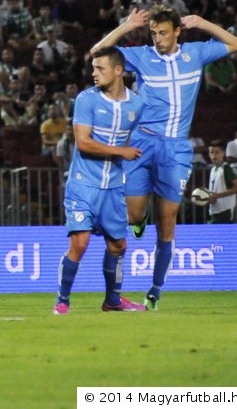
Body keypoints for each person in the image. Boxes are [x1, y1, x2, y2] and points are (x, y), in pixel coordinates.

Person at [90, 4, 237, 310]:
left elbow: (235, 44)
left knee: (168, 220)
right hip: (143, 143)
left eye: (162, 32)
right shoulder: (142, 56)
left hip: (176, 148)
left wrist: (203, 21)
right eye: (153, 32)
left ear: (177, 32)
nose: (157, 38)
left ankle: (155, 290)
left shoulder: (196, 53)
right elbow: (98, 52)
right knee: (133, 216)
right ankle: (138, 218)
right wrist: (127, 26)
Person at [54, 47, 146, 315]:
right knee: (79, 242)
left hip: (114, 187)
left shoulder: (137, 105)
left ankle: (113, 301)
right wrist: (121, 151)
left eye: (100, 68)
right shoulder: (86, 99)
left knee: (118, 245)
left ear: (118, 71)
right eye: (93, 68)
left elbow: (143, 141)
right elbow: (83, 143)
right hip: (83, 184)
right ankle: (63, 301)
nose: (94, 73)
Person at [207, 139, 237, 224]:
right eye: (211, 152)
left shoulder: (226, 169)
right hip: (214, 210)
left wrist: (218, 196)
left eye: (217, 152)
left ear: (223, 153)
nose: (214, 155)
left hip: (224, 210)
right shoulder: (213, 169)